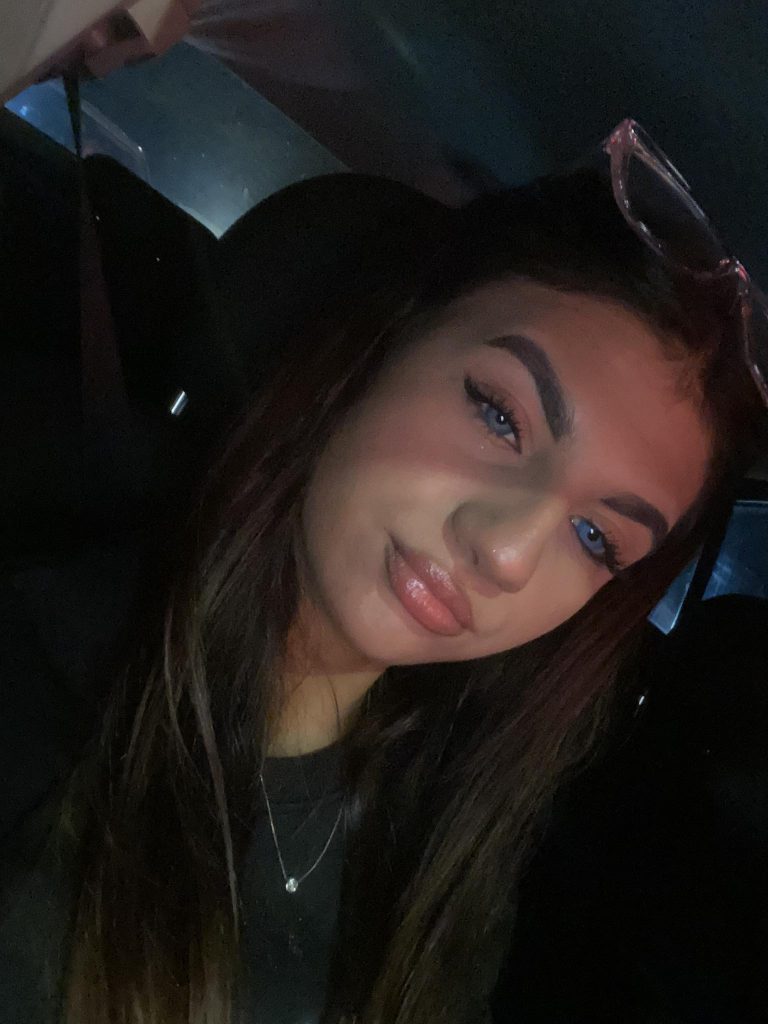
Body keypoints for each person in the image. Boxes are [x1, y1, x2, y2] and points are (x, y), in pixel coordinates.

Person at [0, 120, 765, 1024]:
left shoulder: (451, 852)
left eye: (596, 538)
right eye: (500, 415)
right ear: (379, 343)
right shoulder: (42, 673)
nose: (508, 553)